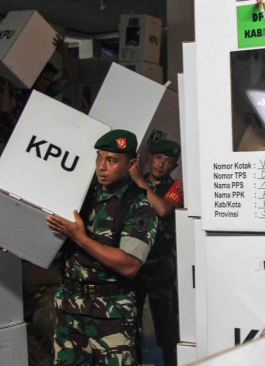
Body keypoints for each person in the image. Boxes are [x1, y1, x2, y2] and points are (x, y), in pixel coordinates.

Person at [46, 130, 158, 366]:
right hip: (70, 307)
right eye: (99, 157)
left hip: (111, 314)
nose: (102, 167)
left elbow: (129, 265)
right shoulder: (80, 197)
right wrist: (13, 241)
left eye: (111, 160)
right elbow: (51, 235)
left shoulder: (140, 207)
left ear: (132, 164)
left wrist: (81, 237)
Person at [128, 140, 184, 366]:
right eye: (159, 158)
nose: (162, 165)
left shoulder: (175, 186)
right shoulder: (129, 183)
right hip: (135, 264)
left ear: (174, 166)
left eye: (168, 161)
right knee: (131, 325)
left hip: (162, 267)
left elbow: (163, 209)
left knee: (167, 328)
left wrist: (140, 181)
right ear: (150, 157)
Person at [0, 34, 74, 145]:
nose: (46, 83)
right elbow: (5, 108)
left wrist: (63, 53)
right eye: (45, 79)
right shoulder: (21, 89)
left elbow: (68, 79)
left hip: (30, 141)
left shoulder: (47, 92)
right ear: (37, 76)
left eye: (49, 81)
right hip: (11, 141)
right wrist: (6, 84)